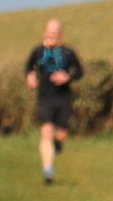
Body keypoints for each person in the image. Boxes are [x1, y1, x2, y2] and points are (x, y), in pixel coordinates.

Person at [23, 19, 84, 184]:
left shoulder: (68, 52)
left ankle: (58, 143)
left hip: (63, 98)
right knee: (46, 132)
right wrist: (30, 77)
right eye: (50, 32)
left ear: (60, 34)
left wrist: (68, 77)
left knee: (61, 134)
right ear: (44, 32)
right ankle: (48, 172)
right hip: (44, 98)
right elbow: (28, 67)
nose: (52, 35)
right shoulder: (37, 51)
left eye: (55, 32)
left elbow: (80, 71)